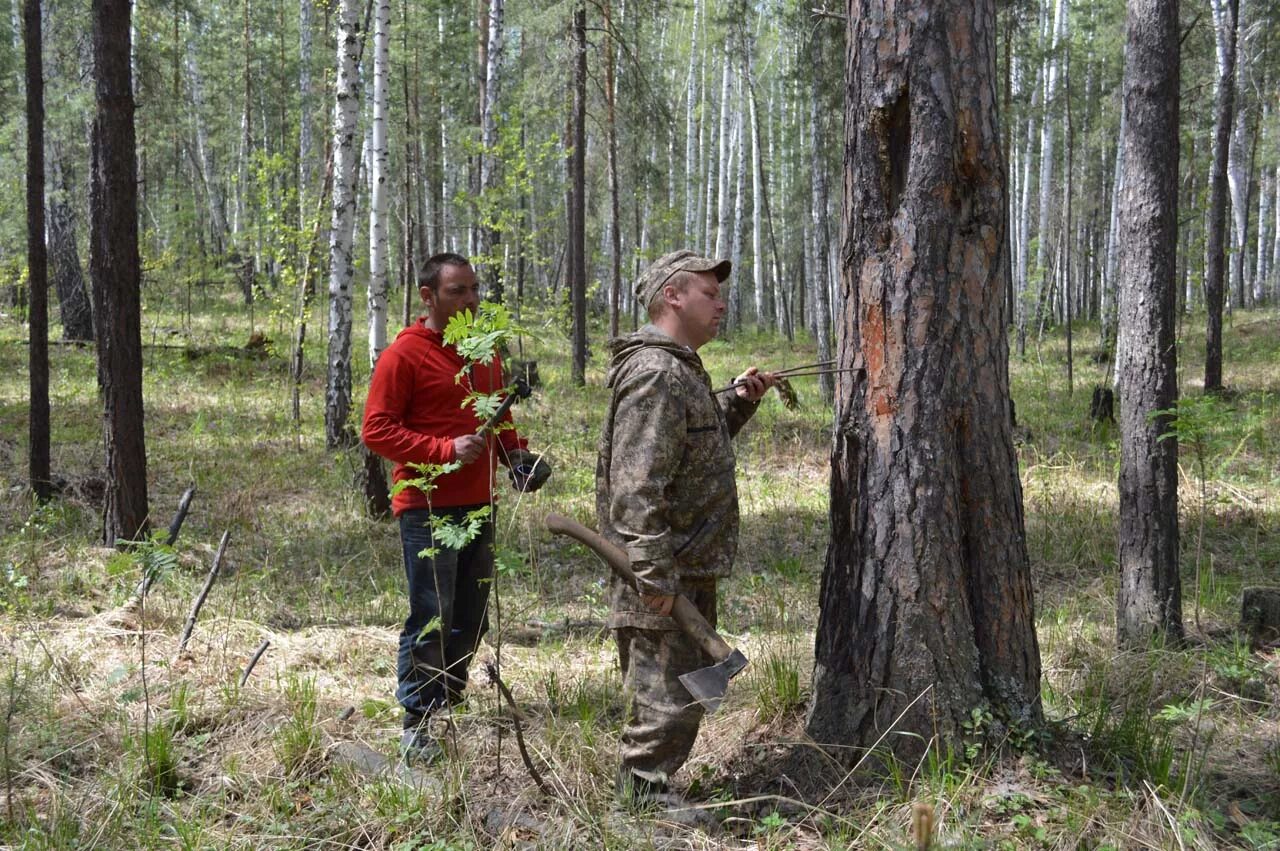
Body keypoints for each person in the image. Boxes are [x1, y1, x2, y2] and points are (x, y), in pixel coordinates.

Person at [595, 249, 775, 802]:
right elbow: (636, 484)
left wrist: (738, 405)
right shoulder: (656, 373)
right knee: (663, 697)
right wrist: (651, 573)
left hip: (683, 565)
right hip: (662, 574)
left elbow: (689, 450)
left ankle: (651, 792)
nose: (721, 303)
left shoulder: (680, 369)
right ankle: (641, 802)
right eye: (709, 293)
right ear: (673, 296)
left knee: (684, 690)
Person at [363, 252, 548, 764]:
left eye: (473, 289)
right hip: (426, 507)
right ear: (428, 297)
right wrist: (444, 450)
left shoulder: (482, 350)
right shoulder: (404, 354)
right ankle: (415, 724)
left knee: (471, 615)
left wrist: (516, 457)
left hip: (479, 504)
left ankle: (445, 704)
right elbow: (375, 429)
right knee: (432, 614)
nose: (470, 300)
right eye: (457, 292)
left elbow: (498, 414)